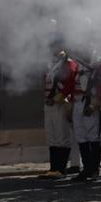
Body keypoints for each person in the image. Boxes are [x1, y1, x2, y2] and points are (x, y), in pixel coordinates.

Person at [41, 37, 80, 178]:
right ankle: (53, 168)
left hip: (61, 103)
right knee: (52, 136)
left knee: (62, 136)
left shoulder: (68, 63)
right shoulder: (52, 64)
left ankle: (61, 169)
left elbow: (69, 85)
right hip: (49, 103)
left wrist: (56, 99)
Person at [72, 52, 101, 181]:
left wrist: (95, 104)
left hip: (91, 102)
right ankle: (86, 168)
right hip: (78, 102)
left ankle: (94, 169)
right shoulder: (79, 64)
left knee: (93, 136)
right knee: (81, 136)